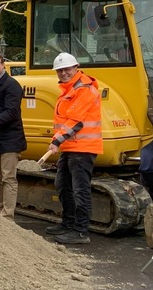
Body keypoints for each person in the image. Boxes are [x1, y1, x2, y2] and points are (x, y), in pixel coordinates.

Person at [44, 52, 103, 244]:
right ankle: (68, 223)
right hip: (70, 147)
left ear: (75, 68)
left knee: (80, 190)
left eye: (67, 69)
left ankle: (80, 231)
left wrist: (56, 141)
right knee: (63, 185)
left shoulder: (84, 89)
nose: (63, 73)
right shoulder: (69, 89)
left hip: (83, 148)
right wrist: (60, 142)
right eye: (60, 70)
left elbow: (75, 121)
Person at [0, 51, 27, 220]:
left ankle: (8, 214)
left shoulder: (11, 85)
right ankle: (1, 207)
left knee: (8, 177)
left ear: (3, 65)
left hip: (10, 137)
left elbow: (12, 112)